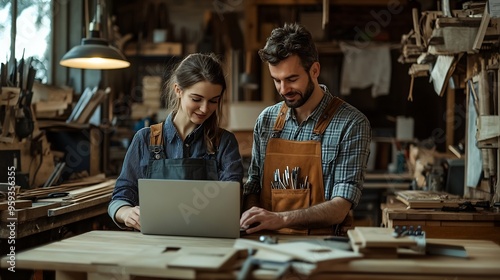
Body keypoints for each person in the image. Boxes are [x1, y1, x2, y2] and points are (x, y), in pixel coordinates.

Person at [240, 23, 371, 235]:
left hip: (324, 249)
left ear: (315, 70)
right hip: (268, 245)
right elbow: (254, 185)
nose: (283, 90)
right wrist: (250, 221)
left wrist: (281, 218)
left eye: (292, 79)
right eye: (277, 81)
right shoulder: (267, 120)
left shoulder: (352, 123)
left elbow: (340, 206)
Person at [109, 53, 244, 231]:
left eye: (213, 101)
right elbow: (121, 195)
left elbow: (231, 202)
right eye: (196, 99)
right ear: (178, 90)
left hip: (208, 242)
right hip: (152, 244)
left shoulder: (224, 143)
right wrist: (125, 212)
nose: (205, 109)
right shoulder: (144, 139)